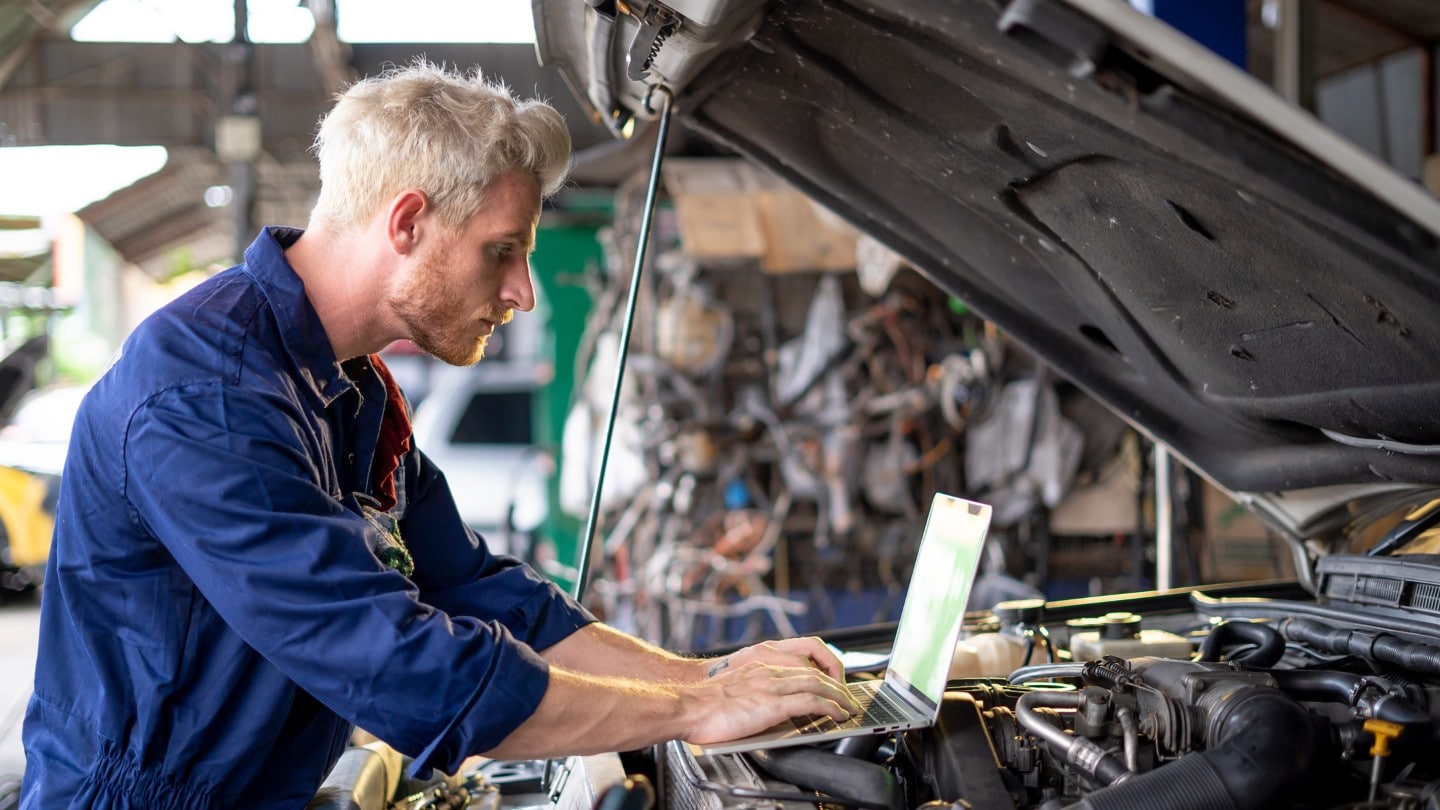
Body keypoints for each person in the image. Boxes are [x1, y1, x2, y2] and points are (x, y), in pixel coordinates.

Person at [20, 61, 857, 809]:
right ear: (408, 222)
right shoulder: (205, 398)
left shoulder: (351, 386)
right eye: (502, 251)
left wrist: (706, 677)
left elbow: (478, 591)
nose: (523, 293)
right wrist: (696, 713)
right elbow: (398, 666)